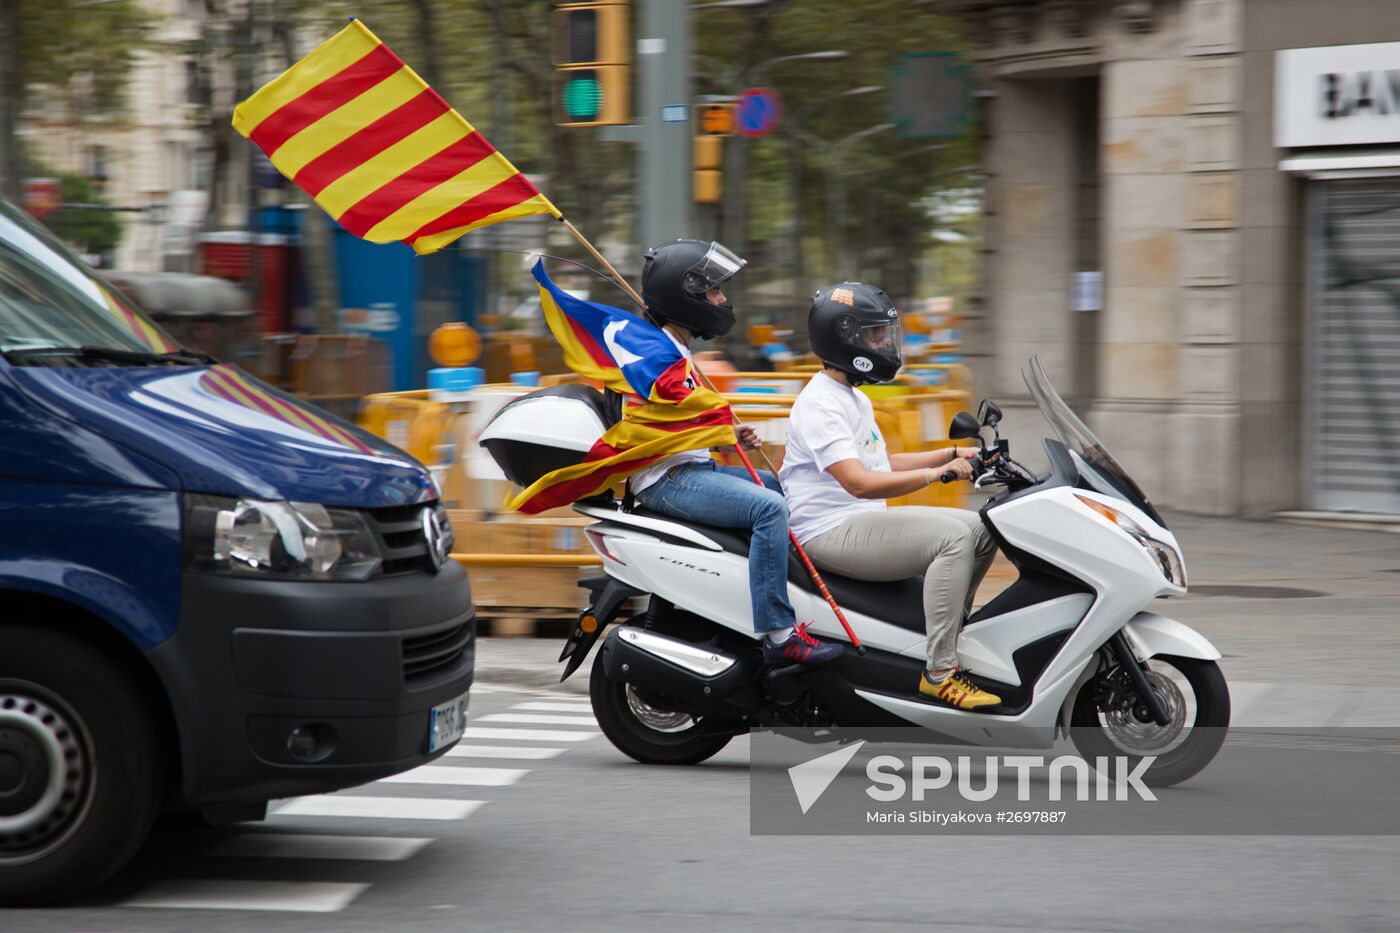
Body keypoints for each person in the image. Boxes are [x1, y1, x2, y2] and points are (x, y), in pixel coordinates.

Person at [779, 282, 1000, 708]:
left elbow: (881, 463)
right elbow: (858, 482)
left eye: (884, 334)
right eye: (874, 335)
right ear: (843, 336)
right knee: (952, 540)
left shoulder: (851, 396)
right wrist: (938, 474)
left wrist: (955, 451)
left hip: (854, 520)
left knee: (983, 526)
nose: (884, 343)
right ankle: (939, 672)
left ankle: (948, 629)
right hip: (828, 531)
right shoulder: (821, 404)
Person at [629, 239, 842, 667]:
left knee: (783, 489)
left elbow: (678, 414)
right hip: (666, 481)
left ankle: (774, 599)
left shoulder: (674, 348)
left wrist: (726, 433)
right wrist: (718, 426)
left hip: (692, 469)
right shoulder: (655, 352)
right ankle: (779, 635)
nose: (722, 299)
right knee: (769, 510)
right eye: (713, 292)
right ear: (683, 296)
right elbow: (657, 413)